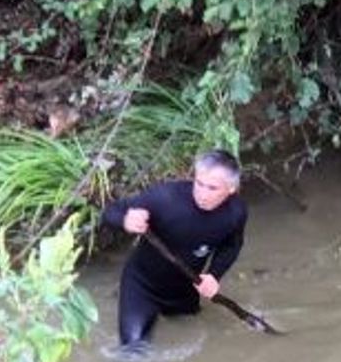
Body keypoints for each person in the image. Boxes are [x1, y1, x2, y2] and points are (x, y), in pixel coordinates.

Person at [101, 149, 247, 348]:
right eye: (199, 184)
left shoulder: (236, 213)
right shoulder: (165, 198)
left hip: (184, 287)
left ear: (231, 189)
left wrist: (214, 275)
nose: (202, 194)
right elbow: (110, 212)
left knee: (193, 336)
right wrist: (125, 220)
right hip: (142, 285)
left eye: (212, 188)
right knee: (132, 350)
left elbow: (232, 245)